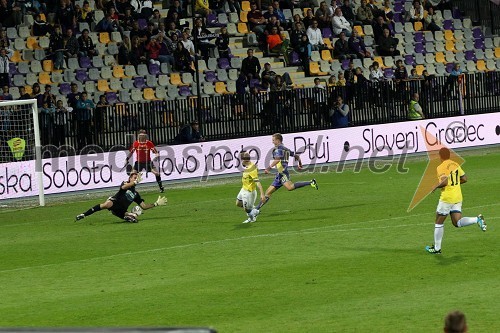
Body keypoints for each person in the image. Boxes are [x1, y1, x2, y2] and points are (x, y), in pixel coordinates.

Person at [425, 147, 486, 254]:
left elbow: (444, 182)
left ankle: (437, 249)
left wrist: (435, 185)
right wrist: (456, 183)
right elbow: (465, 179)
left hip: (447, 198)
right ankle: (477, 219)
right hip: (457, 197)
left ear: (440, 156)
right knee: (457, 222)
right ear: (449, 156)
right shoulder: (455, 164)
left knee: (438, 222)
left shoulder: (441, 167)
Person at [249, 133, 319, 219]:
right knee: (268, 192)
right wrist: (300, 164)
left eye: (273, 140)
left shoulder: (279, 149)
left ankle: (311, 182)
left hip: (283, 173)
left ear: (278, 140)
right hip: (279, 174)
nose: (272, 141)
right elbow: (296, 156)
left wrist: (269, 168)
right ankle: (256, 209)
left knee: (289, 187)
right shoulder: (286, 149)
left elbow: (277, 159)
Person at [75, 171, 167, 223]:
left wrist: (156, 204)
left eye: (136, 178)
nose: (135, 179)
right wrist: (135, 182)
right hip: (115, 203)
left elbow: (144, 206)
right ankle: (84, 214)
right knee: (106, 204)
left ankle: (128, 217)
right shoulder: (125, 183)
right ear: (130, 178)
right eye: (134, 177)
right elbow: (124, 187)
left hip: (122, 210)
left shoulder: (136, 194)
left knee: (134, 217)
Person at [236, 151, 265, 224]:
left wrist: (262, 194)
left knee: (246, 209)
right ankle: (254, 211)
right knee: (238, 203)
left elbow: (258, 182)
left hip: (249, 192)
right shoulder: (248, 166)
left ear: (243, 160)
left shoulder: (251, 169)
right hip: (243, 189)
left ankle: (252, 218)